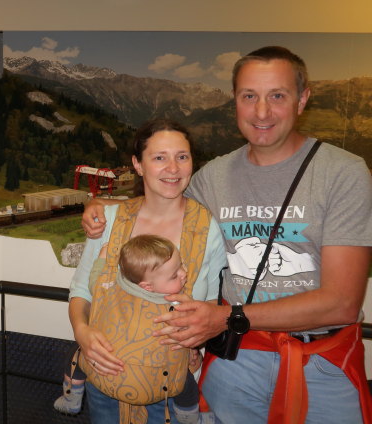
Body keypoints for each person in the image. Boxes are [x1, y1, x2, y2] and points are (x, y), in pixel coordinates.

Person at [82, 46, 372, 423]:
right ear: (235, 100)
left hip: (320, 366)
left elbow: (342, 303)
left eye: (277, 96)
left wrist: (227, 317)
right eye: (249, 96)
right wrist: (99, 205)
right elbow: (160, 197)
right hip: (236, 361)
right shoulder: (212, 178)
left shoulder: (343, 173)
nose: (261, 112)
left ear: (302, 100)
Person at [67, 118, 227, 424]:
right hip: (105, 379)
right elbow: (82, 290)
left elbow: (213, 303)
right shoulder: (109, 221)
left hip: (173, 387)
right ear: (137, 165)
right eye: (159, 158)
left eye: (182, 156)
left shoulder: (208, 229)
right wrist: (82, 332)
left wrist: (196, 340)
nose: (173, 168)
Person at [54, 235, 205, 424]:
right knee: (185, 382)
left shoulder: (110, 289)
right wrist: (192, 348)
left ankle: (71, 396)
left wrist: (102, 258)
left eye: (181, 265)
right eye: (175, 275)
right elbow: (192, 332)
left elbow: (95, 281)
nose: (184, 273)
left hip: (106, 372)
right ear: (147, 286)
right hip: (159, 380)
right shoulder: (178, 304)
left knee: (75, 355)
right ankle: (191, 418)